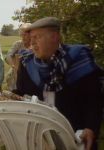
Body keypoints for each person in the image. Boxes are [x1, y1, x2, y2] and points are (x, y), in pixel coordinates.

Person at [13, 17, 103, 150]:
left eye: (37, 37)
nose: (32, 43)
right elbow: (21, 93)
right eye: (31, 38)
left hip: (74, 137)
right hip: (37, 138)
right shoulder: (27, 63)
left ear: (54, 37)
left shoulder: (79, 61)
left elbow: (94, 99)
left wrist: (90, 128)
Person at [5, 23, 32, 90]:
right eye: (21, 35)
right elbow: (8, 56)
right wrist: (13, 66)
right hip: (16, 76)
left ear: (31, 34)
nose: (22, 37)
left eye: (25, 35)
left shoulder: (36, 45)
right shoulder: (18, 44)